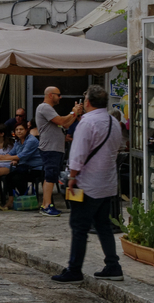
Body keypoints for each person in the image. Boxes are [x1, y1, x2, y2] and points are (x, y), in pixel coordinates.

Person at [52, 85, 124, 283]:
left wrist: (72, 176)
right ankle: (113, 265)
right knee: (103, 225)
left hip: (87, 183)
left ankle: (74, 270)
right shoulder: (113, 122)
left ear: (88, 102)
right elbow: (117, 147)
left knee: (79, 226)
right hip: (107, 182)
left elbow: (78, 153)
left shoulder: (87, 122)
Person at [34, 87, 83, 217]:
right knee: (50, 176)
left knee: (51, 176)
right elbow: (61, 121)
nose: (60, 97)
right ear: (50, 95)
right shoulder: (44, 107)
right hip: (50, 147)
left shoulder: (50, 109)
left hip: (55, 147)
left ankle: (46, 203)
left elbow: (65, 125)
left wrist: (76, 114)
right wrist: (73, 112)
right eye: (59, 95)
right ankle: (47, 206)